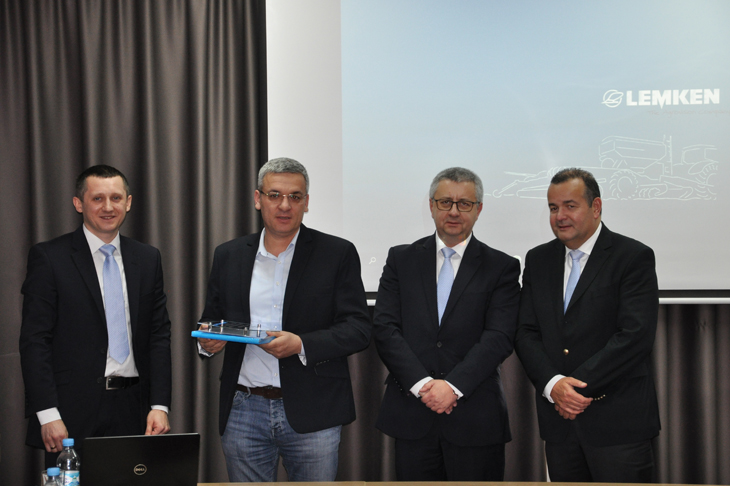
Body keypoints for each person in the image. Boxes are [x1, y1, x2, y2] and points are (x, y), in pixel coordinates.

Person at [197, 157, 371, 482]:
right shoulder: (229, 254)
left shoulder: (337, 253)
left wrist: (301, 344)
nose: (284, 205)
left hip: (314, 408)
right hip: (244, 408)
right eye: (275, 195)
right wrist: (208, 340)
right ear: (258, 198)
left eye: (295, 196)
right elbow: (212, 318)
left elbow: (359, 329)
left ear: (306, 202)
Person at [372, 167, 520, 481]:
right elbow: (385, 328)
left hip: (475, 418)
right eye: (445, 202)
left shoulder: (502, 267)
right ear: (431, 206)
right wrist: (423, 385)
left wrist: (452, 388)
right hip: (412, 413)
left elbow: (499, 336)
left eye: (464, 203)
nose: (453, 211)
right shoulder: (401, 259)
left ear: (479, 209)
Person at [20, 165, 172, 467]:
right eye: (98, 198)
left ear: (128, 203)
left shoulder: (147, 258)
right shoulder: (49, 257)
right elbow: (35, 341)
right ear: (79, 204)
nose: (108, 207)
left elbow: (159, 336)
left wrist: (160, 405)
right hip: (70, 414)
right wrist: (47, 414)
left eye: (116, 198)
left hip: (134, 411)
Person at [514, 167, 660, 482]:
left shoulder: (632, 256)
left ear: (596, 207)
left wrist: (572, 389)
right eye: (553, 208)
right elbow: (526, 332)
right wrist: (553, 386)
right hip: (560, 426)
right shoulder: (538, 260)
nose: (560, 216)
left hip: (618, 425)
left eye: (570, 206)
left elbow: (635, 336)